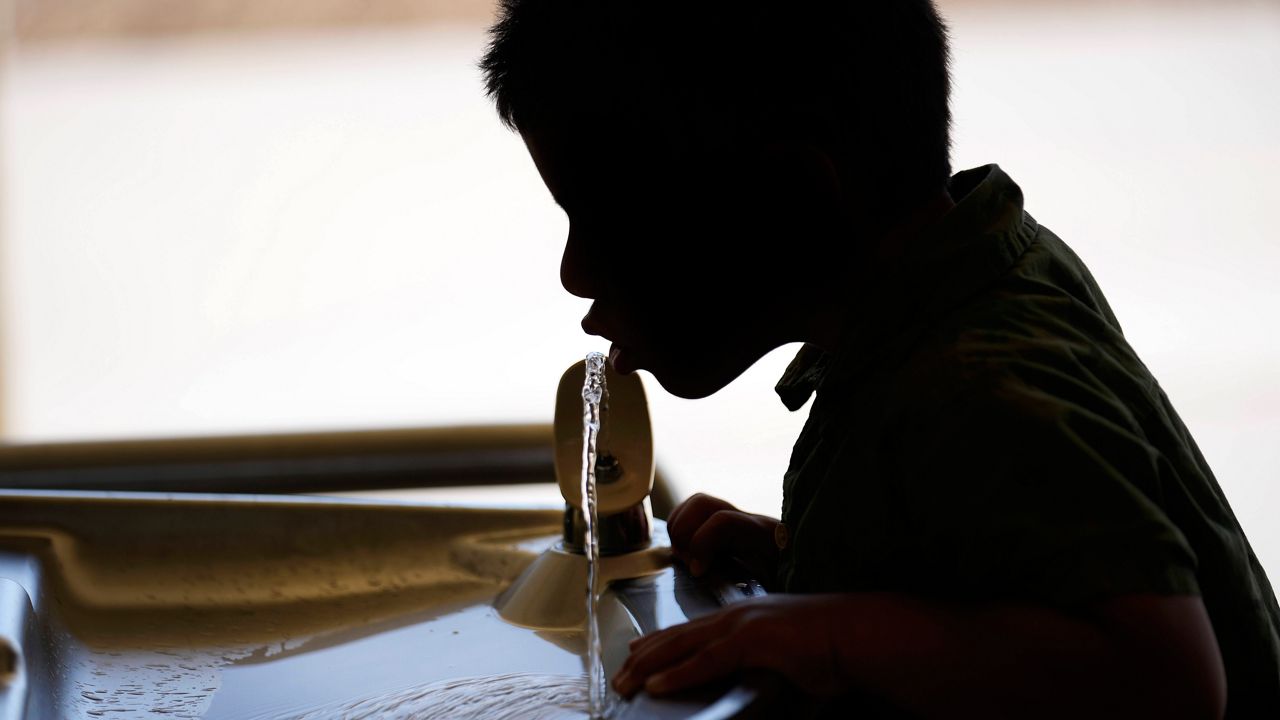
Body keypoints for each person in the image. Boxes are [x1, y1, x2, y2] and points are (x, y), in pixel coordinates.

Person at [480, 0, 1280, 716]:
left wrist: (833, 634)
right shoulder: (961, 284)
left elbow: (1166, 675)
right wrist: (813, 563)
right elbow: (1004, 573)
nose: (574, 271)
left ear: (785, 204)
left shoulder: (981, 380)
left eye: (604, 222)